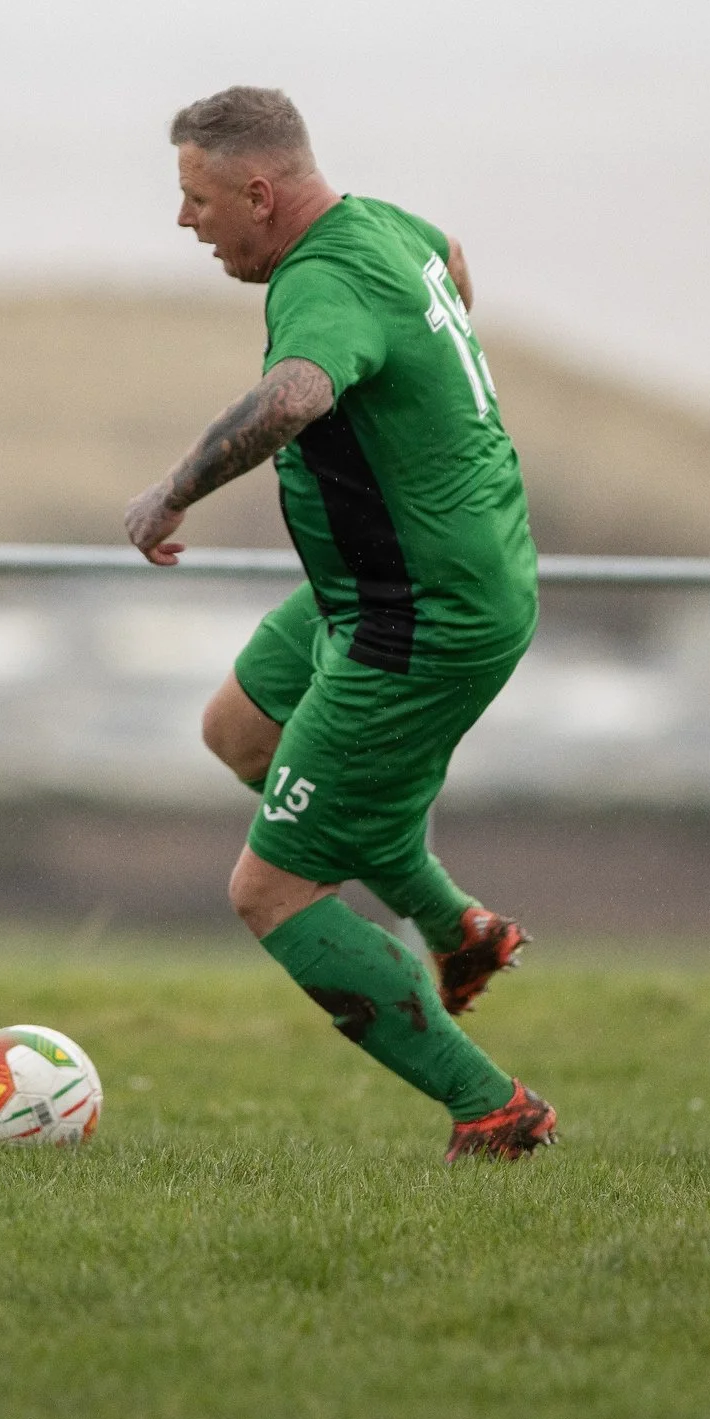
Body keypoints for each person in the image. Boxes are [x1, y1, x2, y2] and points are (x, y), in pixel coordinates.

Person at [123, 86, 554, 1162]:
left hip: (422, 614)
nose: (185, 222)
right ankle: (455, 927)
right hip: (371, 585)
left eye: (196, 198)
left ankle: (491, 1107)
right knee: (241, 732)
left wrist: (172, 493)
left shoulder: (317, 277)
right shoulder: (387, 226)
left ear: (258, 193)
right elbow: (451, 260)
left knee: (270, 889)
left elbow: (298, 395)